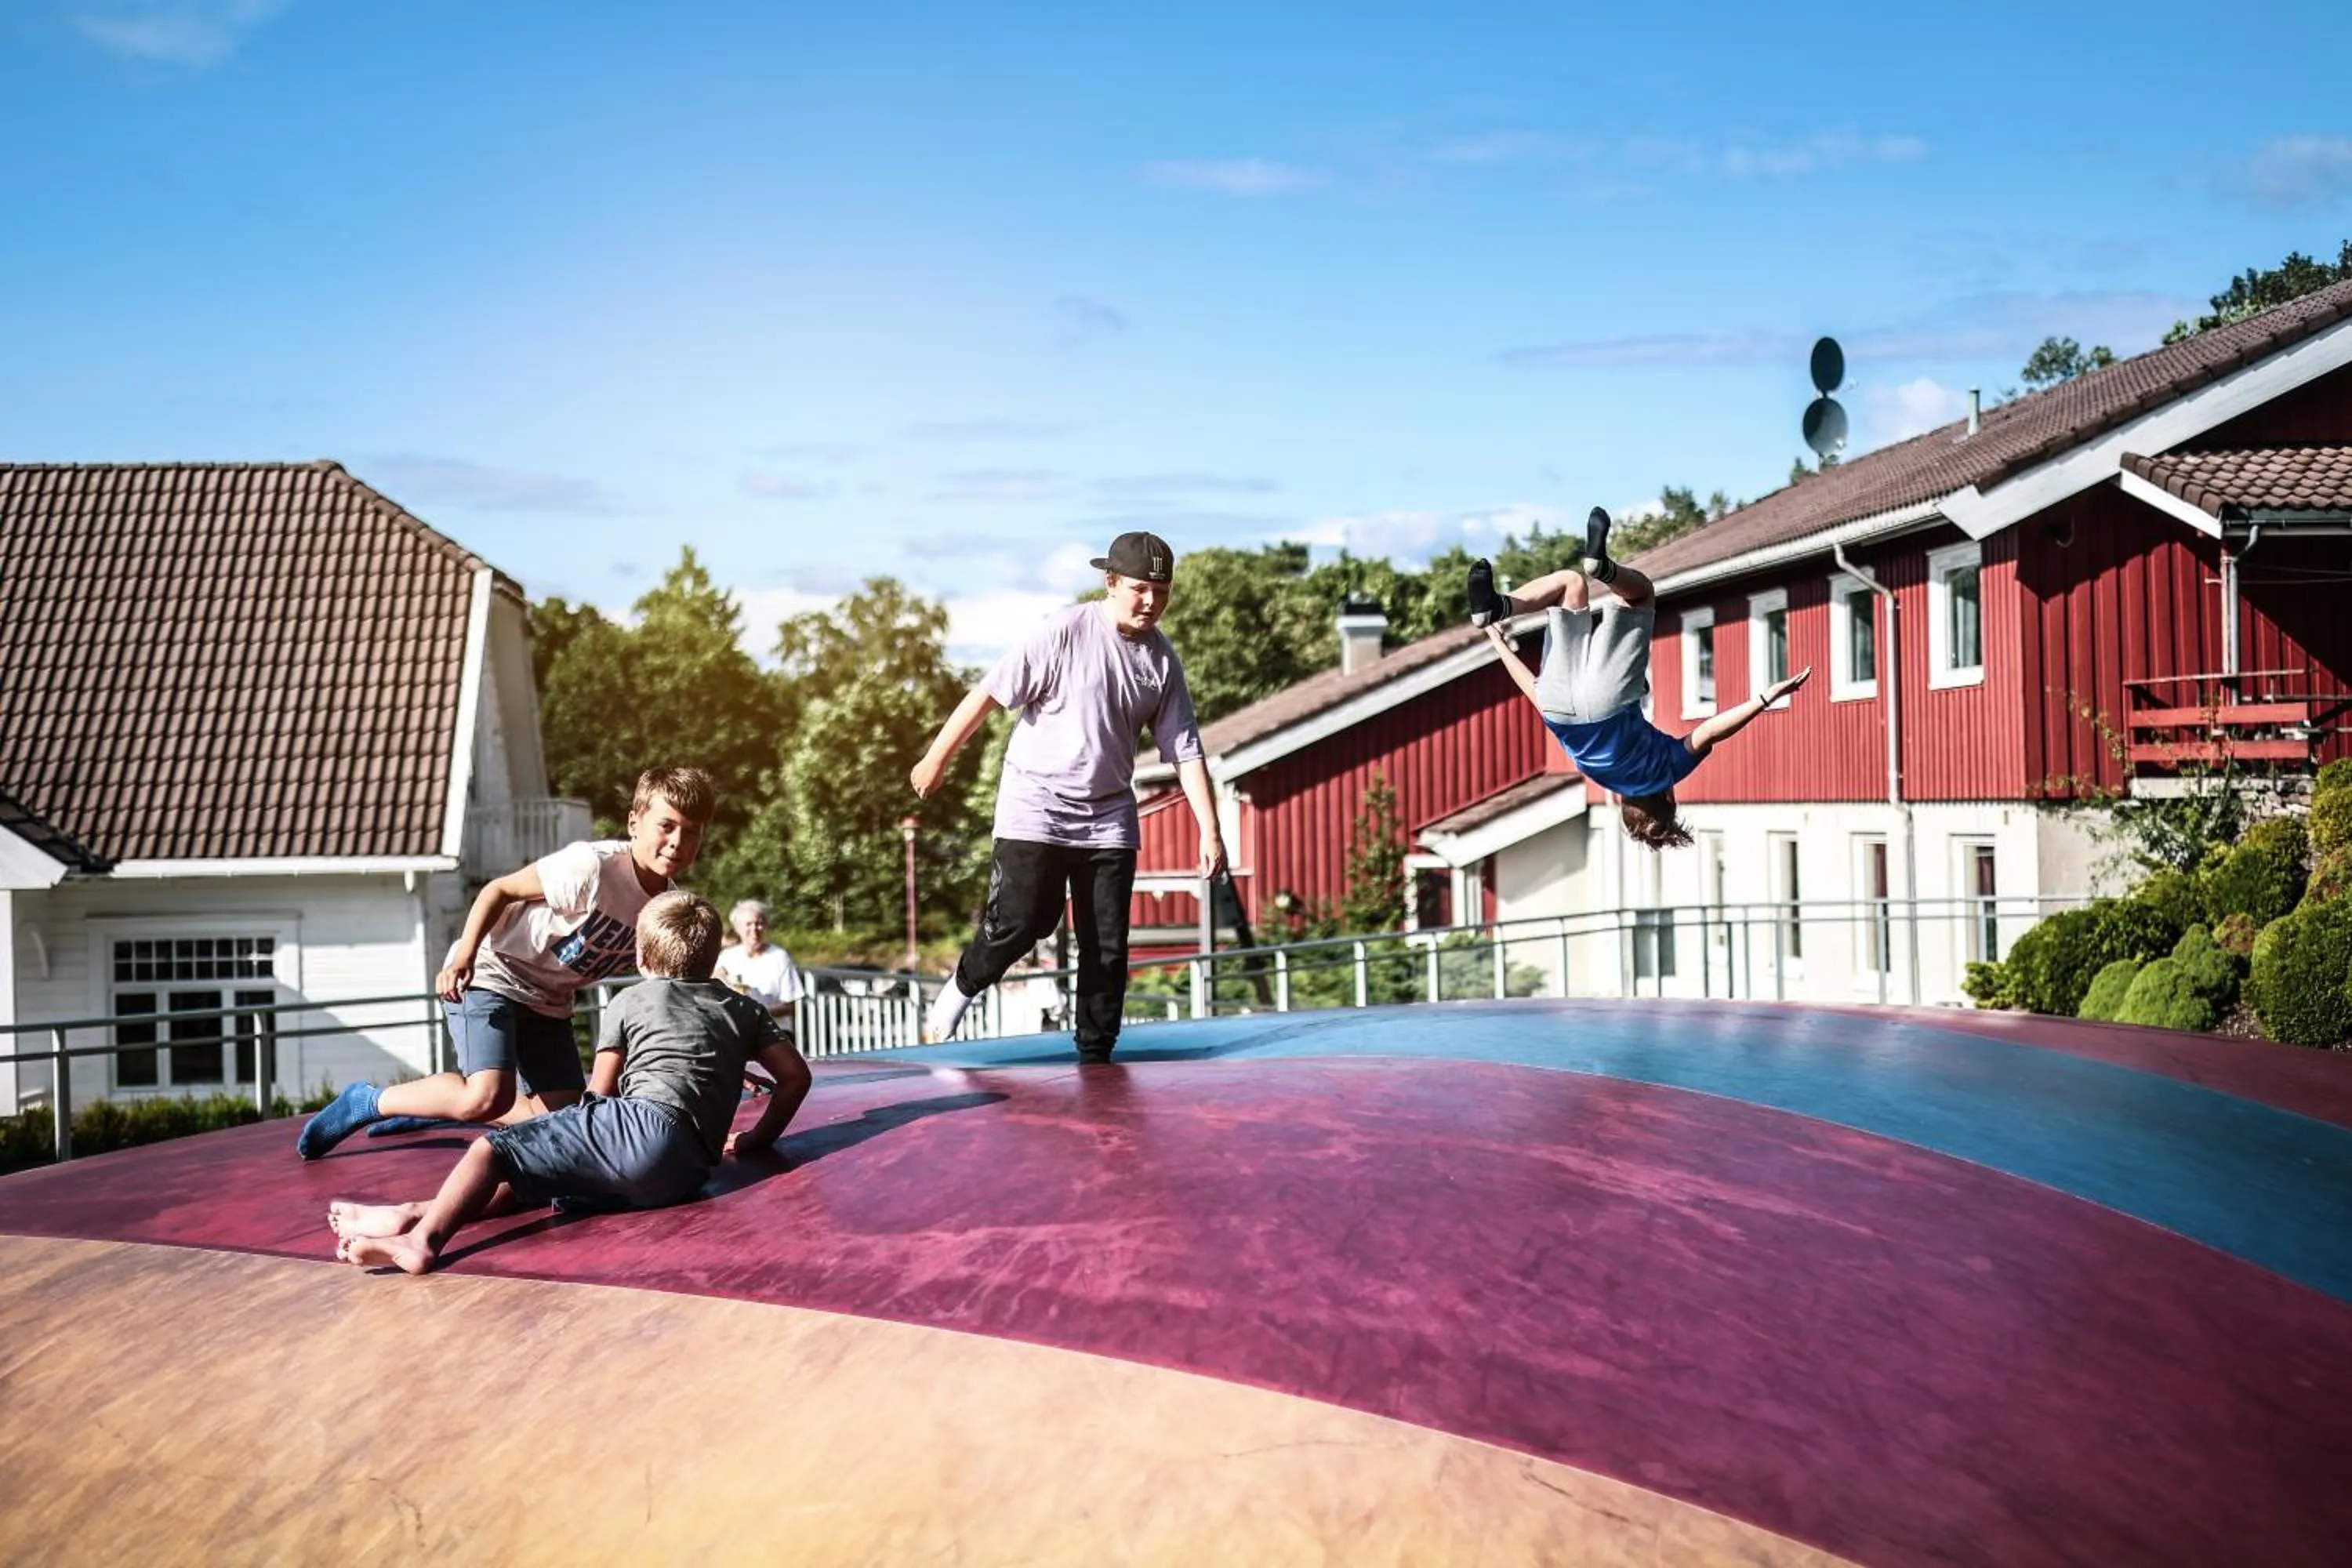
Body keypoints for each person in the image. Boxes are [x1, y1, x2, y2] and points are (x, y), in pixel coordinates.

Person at [326, 890, 812, 1275]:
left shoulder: (631, 1000)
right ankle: (411, 1213)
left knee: (493, 1152)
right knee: (534, 1180)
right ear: (711, 958)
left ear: (643, 957)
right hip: (686, 1173)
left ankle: (420, 1243)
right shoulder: (744, 1008)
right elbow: (795, 1078)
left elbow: (598, 1097)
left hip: (641, 1128)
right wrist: (754, 1137)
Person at [909, 530, 1225, 1061]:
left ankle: (1097, 1054)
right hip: (1036, 803)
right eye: (1141, 589)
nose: (1152, 602)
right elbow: (988, 694)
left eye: (1163, 592)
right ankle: (962, 986)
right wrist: (937, 756)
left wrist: (1211, 830)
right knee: (1025, 919)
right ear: (1111, 582)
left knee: (1107, 943)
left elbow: (1186, 751)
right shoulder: (1063, 631)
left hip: (1108, 816)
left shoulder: (1162, 662)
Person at [296, 765, 717, 1158]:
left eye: (691, 832)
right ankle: (366, 1101)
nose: (678, 841)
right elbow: (498, 891)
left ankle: (441, 1105)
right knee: (486, 1096)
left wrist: (715, 1044)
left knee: (562, 1117)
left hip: (549, 1000)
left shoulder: (664, 907)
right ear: (634, 823)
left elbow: (669, 984)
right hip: (494, 971)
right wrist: (463, 957)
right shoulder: (592, 867)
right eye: (666, 826)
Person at [1470, 507, 1809, 850]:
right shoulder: (1597, 774)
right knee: (1569, 586)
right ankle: (1496, 610)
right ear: (1621, 802)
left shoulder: (1667, 772)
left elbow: (1709, 732)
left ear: (1668, 797)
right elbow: (1533, 692)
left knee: (1640, 596)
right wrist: (1497, 640)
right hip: (1558, 707)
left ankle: (1603, 568)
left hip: (1610, 700)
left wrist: (1765, 699)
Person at [715, 899, 803, 1019]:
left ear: (766, 926)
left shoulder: (779, 957)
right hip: (736, 1030)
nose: (754, 929)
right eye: (749, 924)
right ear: (737, 928)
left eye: (759, 923)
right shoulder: (727, 957)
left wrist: (756, 1015)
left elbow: (789, 1006)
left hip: (772, 1029)